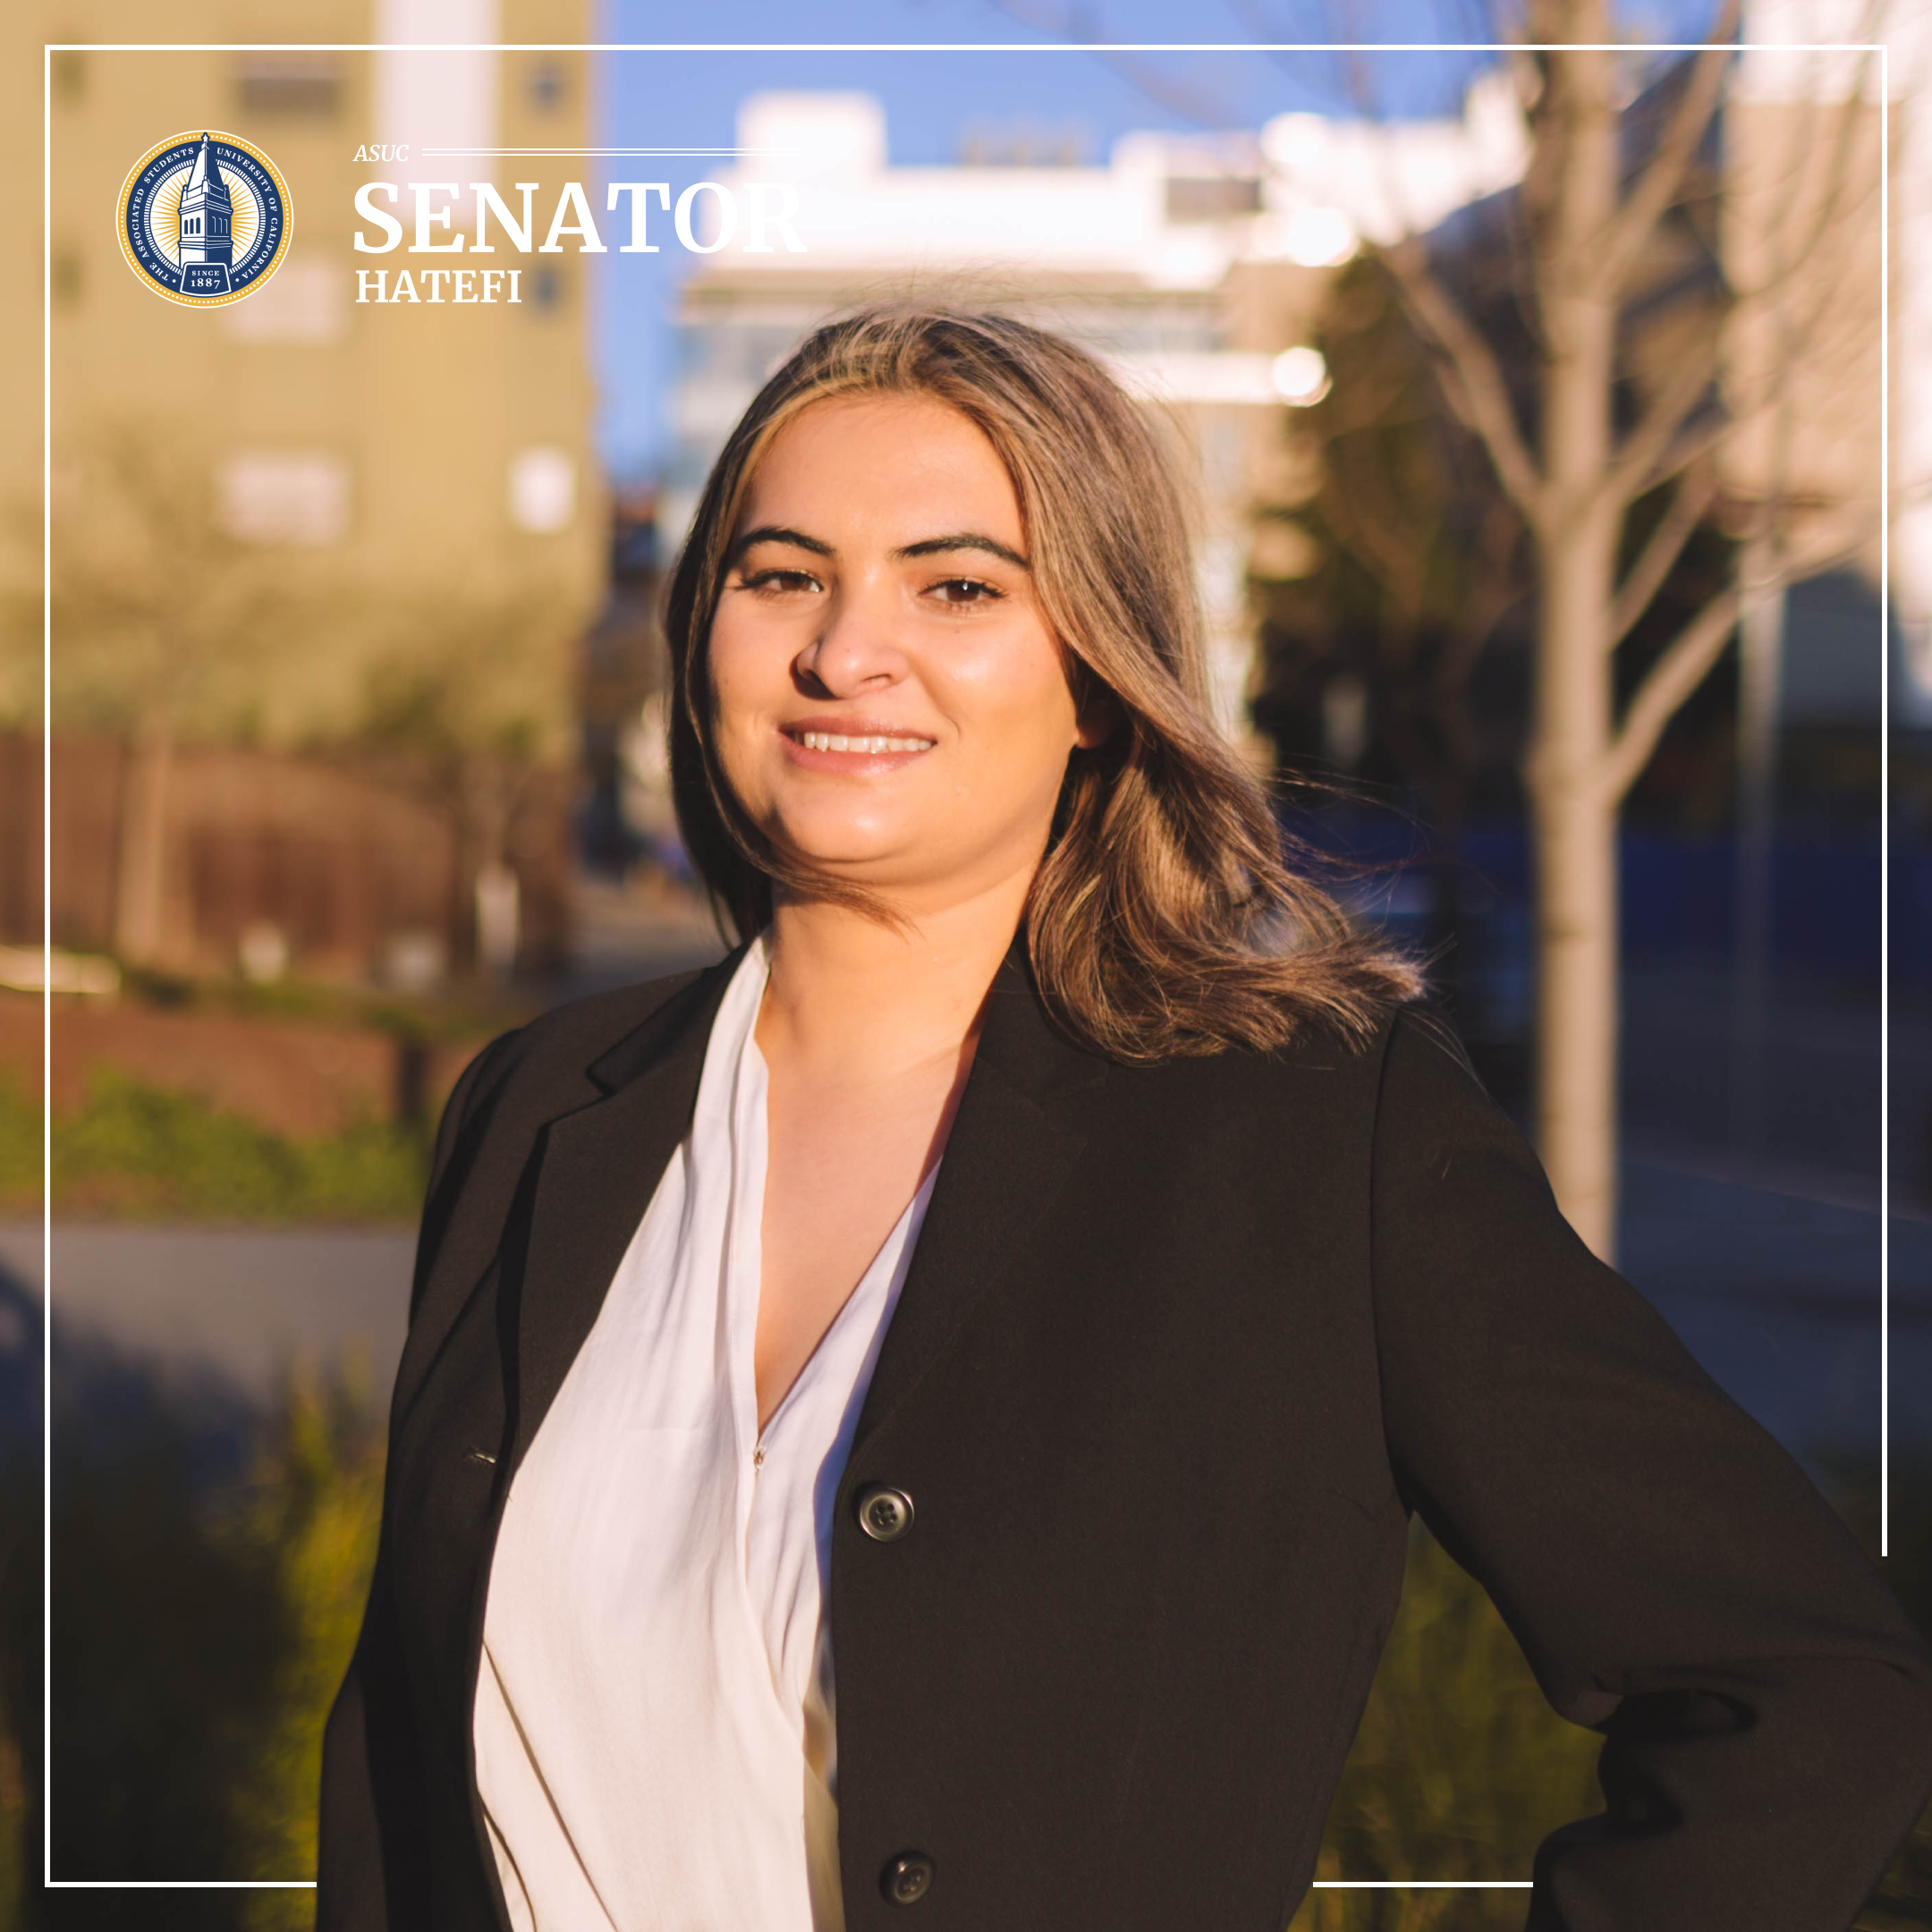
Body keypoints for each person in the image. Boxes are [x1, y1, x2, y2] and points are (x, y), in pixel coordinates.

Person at [318, 304, 1932, 1932]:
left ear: (1099, 676)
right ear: (705, 633)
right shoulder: (539, 1112)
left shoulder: (1304, 1132)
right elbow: (401, 1763)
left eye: (957, 586)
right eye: (782, 573)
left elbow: (1802, 1684)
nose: (842, 649)